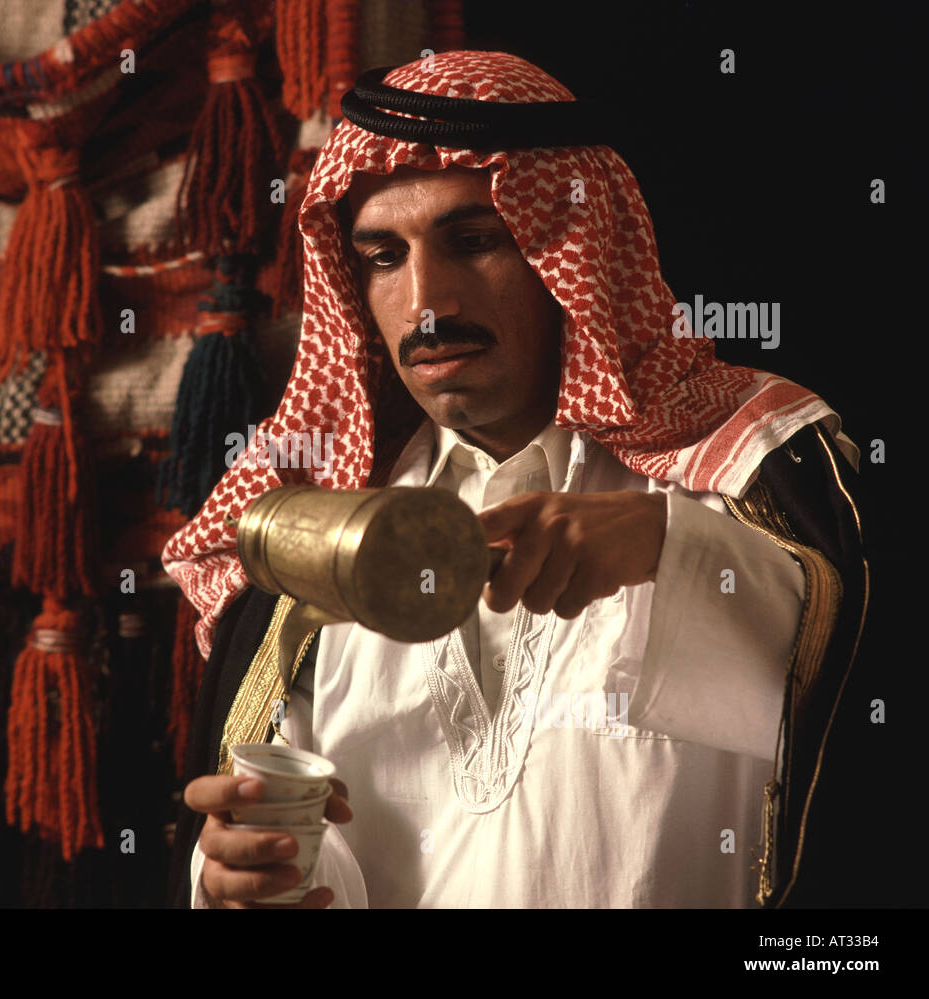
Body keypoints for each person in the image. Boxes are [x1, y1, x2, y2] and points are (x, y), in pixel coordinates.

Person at [163, 50, 868, 908]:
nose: (427, 302)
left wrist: (673, 544)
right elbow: (325, 850)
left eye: (474, 241)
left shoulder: (751, 465)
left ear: (570, 246)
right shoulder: (324, 529)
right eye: (384, 256)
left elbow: (852, 695)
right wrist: (247, 875)